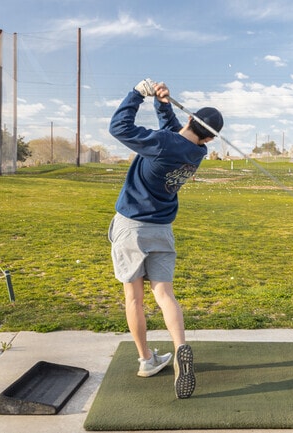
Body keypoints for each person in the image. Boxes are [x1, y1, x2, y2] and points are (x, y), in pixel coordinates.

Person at [108, 79, 223, 399]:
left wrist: (136, 94)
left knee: (134, 299)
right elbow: (176, 135)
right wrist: (162, 104)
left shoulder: (161, 143)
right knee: (165, 296)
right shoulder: (198, 152)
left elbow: (119, 127)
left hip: (132, 227)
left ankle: (146, 360)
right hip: (162, 230)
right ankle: (180, 347)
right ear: (210, 136)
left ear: (190, 119)